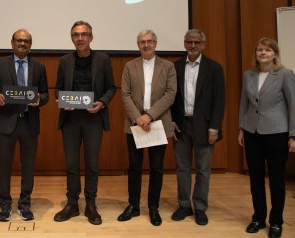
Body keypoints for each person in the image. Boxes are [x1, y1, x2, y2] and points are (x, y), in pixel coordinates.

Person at [53, 21, 116, 225]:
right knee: (71, 164)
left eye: (84, 34)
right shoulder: (64, 61)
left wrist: (102, 103)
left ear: (91, 37)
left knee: (91, 164)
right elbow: (58, 88)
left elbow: (111, 88)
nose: (80, 38)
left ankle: (90, 204)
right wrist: (62, 101)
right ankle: (72, 204)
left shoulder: (103, 60)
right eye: (76, 35)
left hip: (93, 118)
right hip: (70, 119)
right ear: (72, 38)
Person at [238, 38, 295, 238]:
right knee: (255, 178)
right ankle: (258, 217)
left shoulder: (285, 75)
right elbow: (243, 105)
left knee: (276, 179)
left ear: (275, 54)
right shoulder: (249, 75)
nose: (263, 53)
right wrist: (241, 129)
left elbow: (294, 105)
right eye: (259, 50)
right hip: (251, 133)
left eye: (267, 50)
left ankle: (276, 221)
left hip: (276, 133)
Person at [0, 29, 49, 222]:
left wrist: (40, 99)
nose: (22, 43)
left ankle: (24, 205)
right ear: (12, 43)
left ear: (31, 44)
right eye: (19, 40)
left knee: (28, 167)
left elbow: (45, 94)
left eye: (26, 41)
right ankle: (4, 205)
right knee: (4, 166)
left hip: (29, 122)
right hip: (6, 123)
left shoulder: (39, 67)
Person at [118, 29, 176, 226]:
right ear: (138, 45)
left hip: (158, 123)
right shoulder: (129, 66)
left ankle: (153, 207)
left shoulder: (168, 66)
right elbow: (124, 94)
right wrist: (138, 117)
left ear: (156, 43)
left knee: (156, 168)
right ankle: (133, 205)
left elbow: (170, 94)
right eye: (142, 42)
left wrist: (149, 116)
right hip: (135, 124)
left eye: (150, 41)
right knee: (134, 167)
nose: (146, 45)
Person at [170, 29, 225, 225]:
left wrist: (215, 128)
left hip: (205, 127)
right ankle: (184, 205)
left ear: (203, 45)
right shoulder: (174, 67)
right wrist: (170, 120)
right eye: (189, 42)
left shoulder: (214, 68)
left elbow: (219, 101)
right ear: (184, 43)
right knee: (182, 168)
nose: (192, 46)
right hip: (180, 125)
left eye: (196, 42)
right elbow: (170, 97)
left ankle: (200, 206)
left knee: (203, 169)